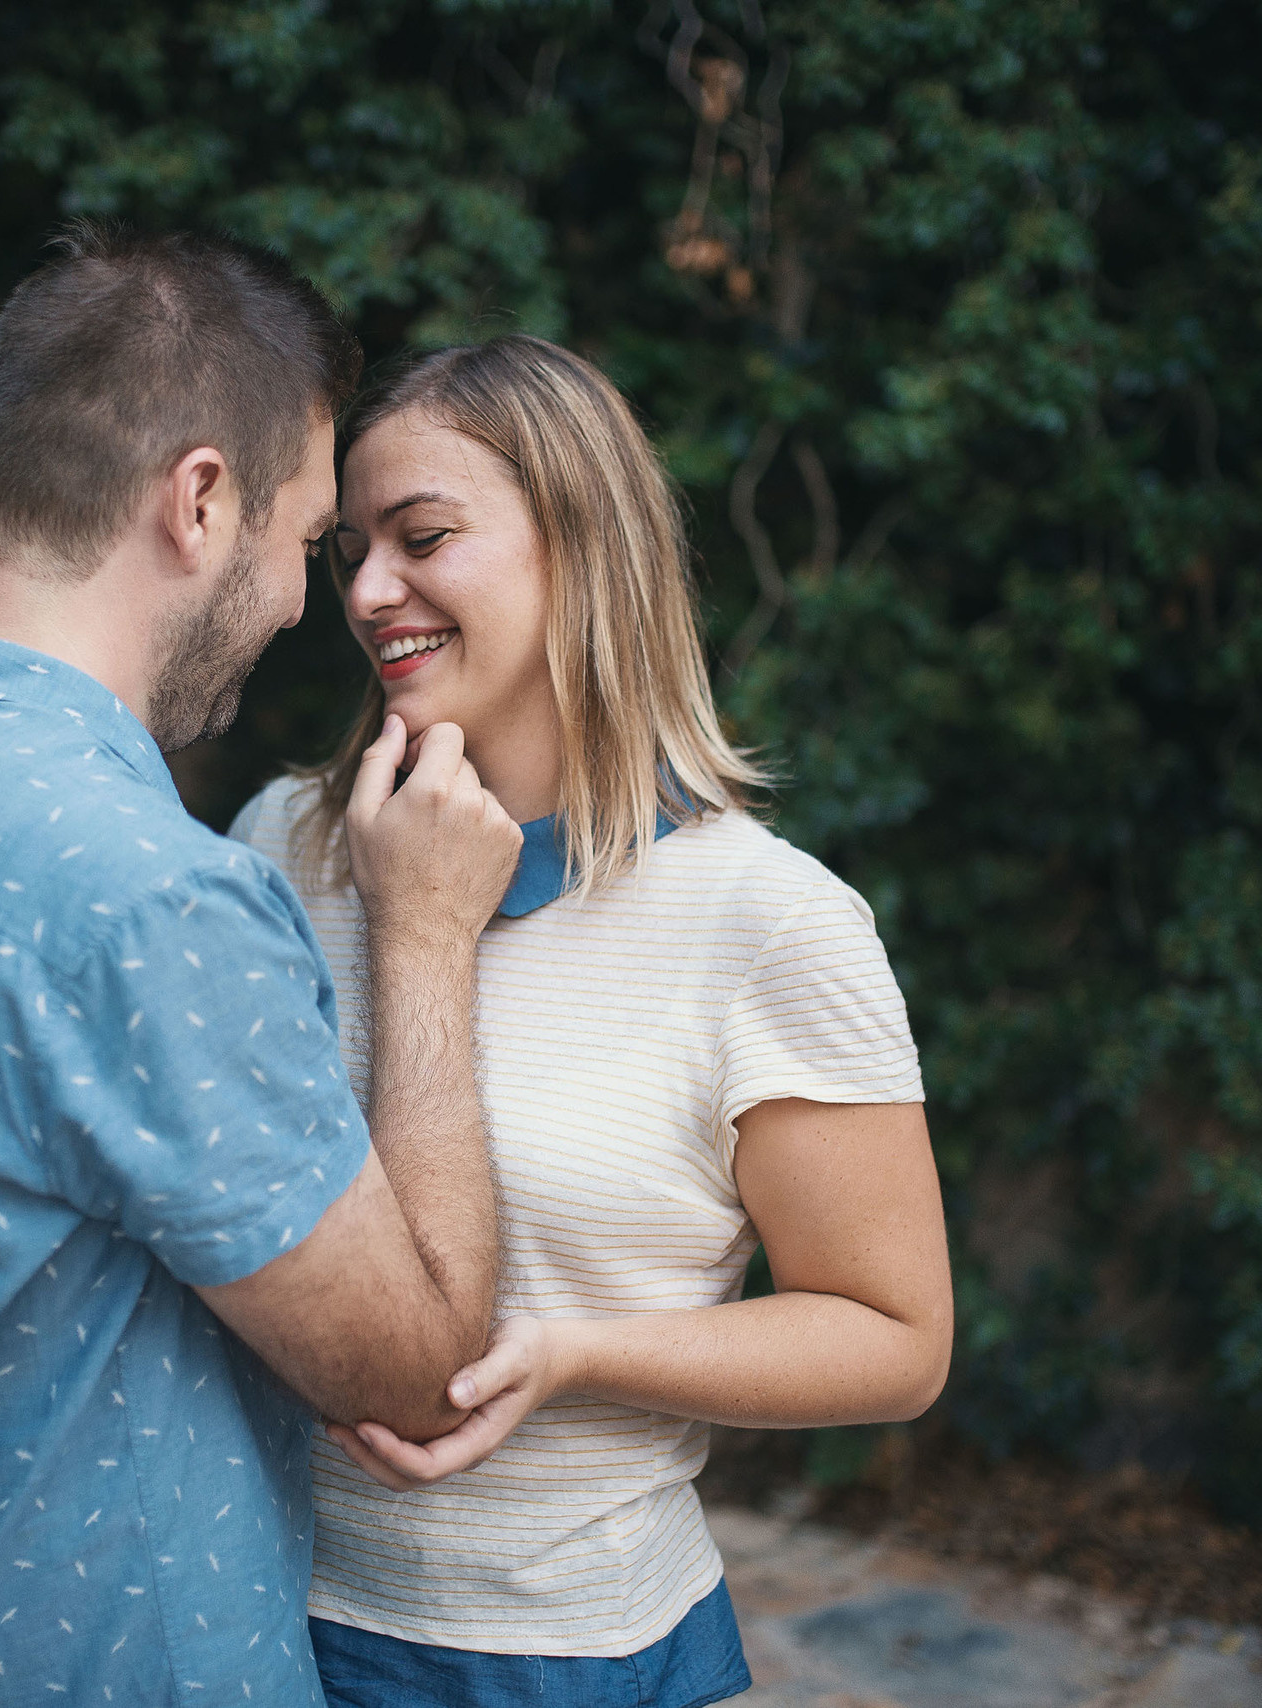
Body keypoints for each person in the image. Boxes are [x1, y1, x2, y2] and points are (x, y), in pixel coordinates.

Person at [0, 227, 526, 1707]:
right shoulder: (147, 901)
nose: (299, 604)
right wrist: (427, 936)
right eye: (306, 541)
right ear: (199, 501)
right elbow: (419, 1366)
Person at [229, 335, 955, 1708]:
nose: (372, 592)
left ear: (582, 543)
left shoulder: (768, 923)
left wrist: (574, 1353)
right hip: (250, 1627)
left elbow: (894, 1336)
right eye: (347, 553)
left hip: (569, 1657)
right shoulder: (284, 845)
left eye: (424, 536)